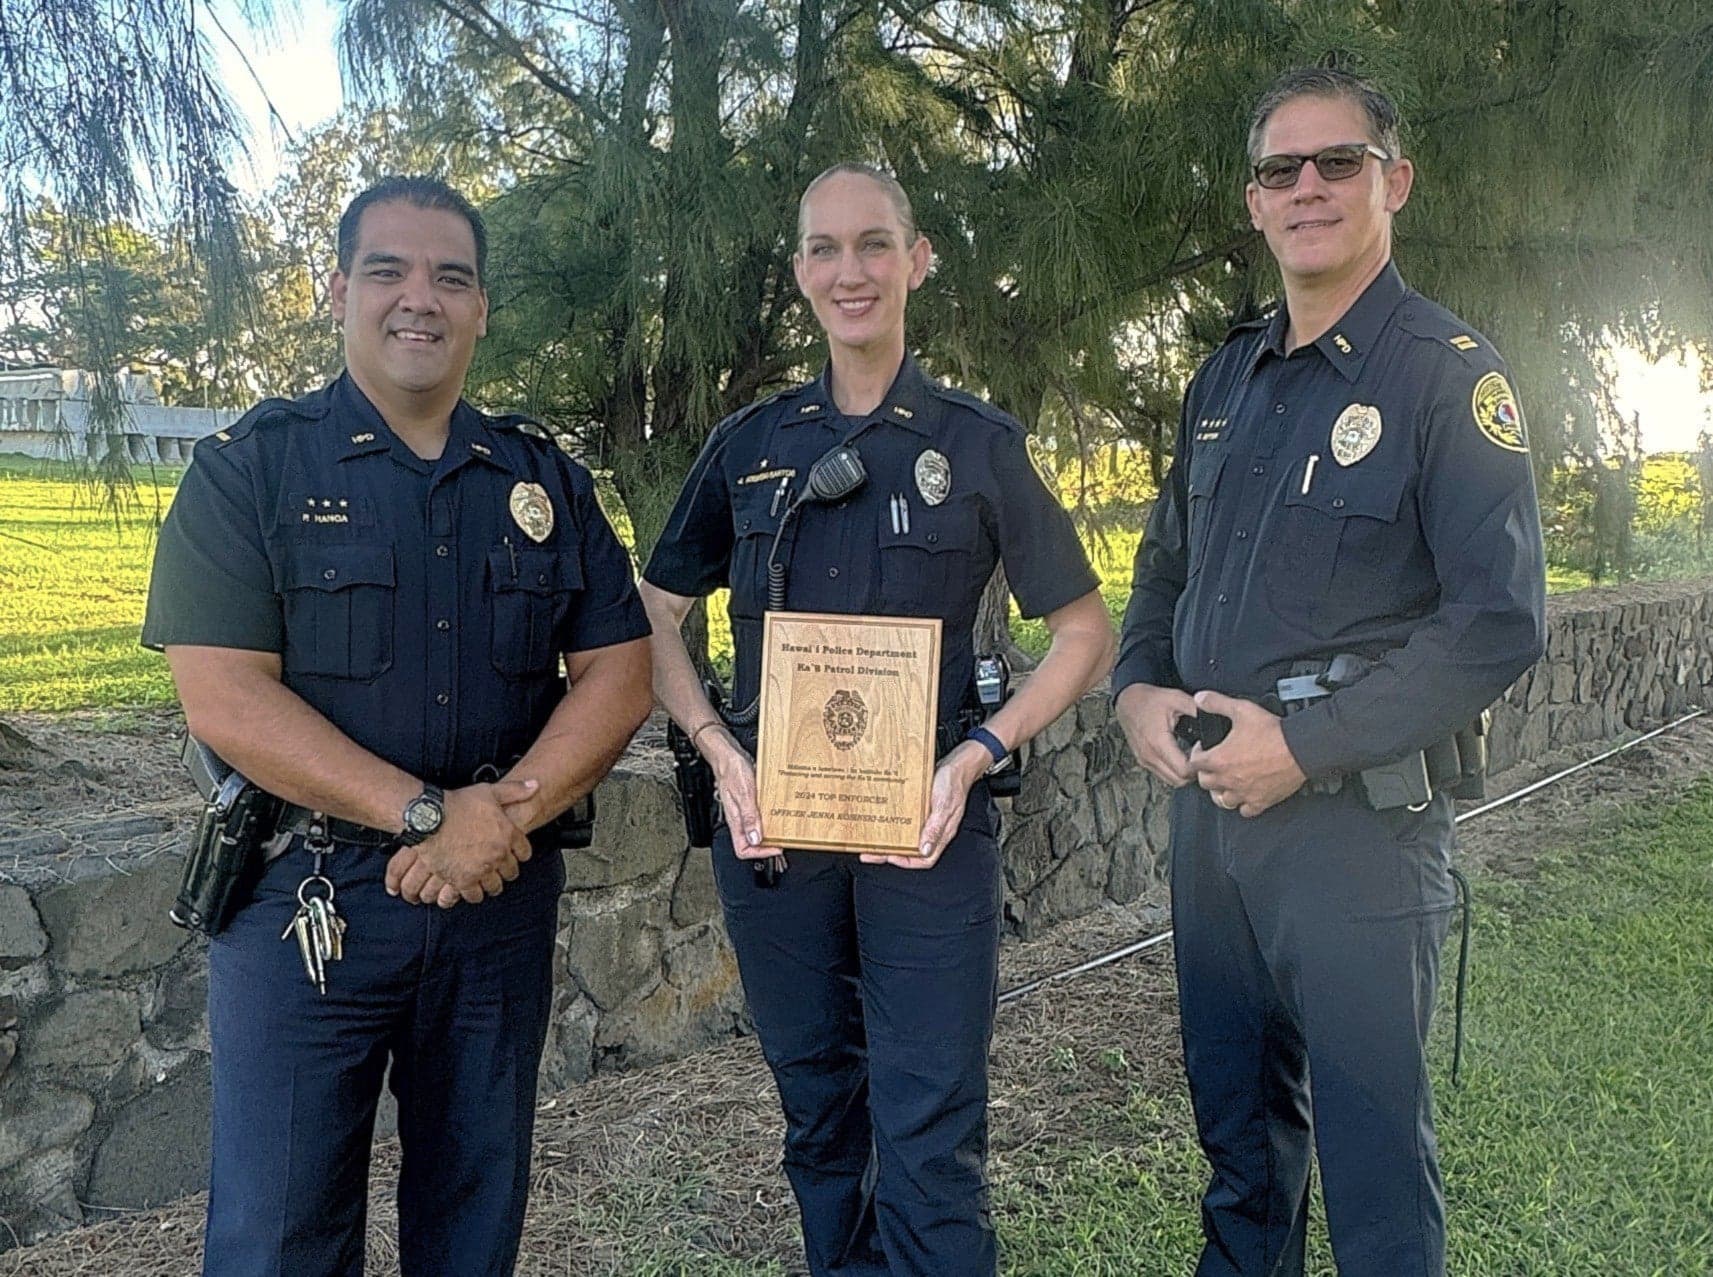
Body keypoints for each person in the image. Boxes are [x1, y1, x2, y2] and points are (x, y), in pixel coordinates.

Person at [141, 175, 653, 1276]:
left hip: (495, 901)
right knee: (278, 1235)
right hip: (304, 903)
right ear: (337, 292)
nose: (419, 297)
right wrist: (424, 813)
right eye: (388, 270)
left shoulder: (542, 479)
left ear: (480, 310)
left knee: (474, 1223)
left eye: (451, 277)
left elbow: (618, 668)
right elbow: (225, 696)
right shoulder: (250, 470)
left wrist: (498, 816)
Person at [638, 163, 1115, 1276]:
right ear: (800, 268)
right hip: (774, 844)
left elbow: (1084, 631)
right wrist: (720, 750)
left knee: (931, 1132)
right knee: (818, 1118)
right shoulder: (750, 444)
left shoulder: (978, 445)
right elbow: (653, 615)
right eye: (824, 249)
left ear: (917, 258)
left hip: (928, 836)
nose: (847, 270)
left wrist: (980, 751)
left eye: (872, 244)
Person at [1114, 68, 1547, 1276]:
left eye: (1337, 163)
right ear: (1253, 202)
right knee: (1241, 1165)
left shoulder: (1447, 377)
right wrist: (1139, 689)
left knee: (1373, 1181)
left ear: (1392, 181)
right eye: (1279, 170)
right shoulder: (1225, 382)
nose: (1307, 188)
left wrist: (1301, 745)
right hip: (1211, 835)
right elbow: (1163, 572)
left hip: (1358, 833)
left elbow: (1499, 622)